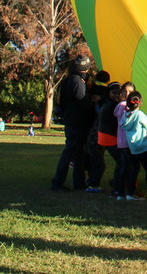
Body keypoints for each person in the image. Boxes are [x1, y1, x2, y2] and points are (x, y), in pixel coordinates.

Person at [50, 55, 95, 191]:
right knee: (70, 152)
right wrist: (94, 111)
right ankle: (58, 182)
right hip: (77, 122)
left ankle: (79, 183)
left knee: (78, 154)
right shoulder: (77, 81)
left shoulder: (70, 79)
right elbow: (83, 101)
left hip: (72, 120)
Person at [97, 82, 124, 197]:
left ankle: (116, 183)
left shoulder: (107, 103)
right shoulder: (113, 105)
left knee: (121, 162)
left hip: (105, 136)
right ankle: (116, 187)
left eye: (119, 93)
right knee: (122, 162)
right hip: (109, 137)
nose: (116, 95)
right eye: (114, 93)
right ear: (108, 93)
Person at [113, 81, 138, 199]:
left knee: (124, 167)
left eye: (130, 92)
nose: (127, 94)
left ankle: (119, 191)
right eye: (125, 91)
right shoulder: (124, 106)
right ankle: (129, 192)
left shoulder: (120, 106)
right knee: (132, 167)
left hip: (122, 142)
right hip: (127, 142)